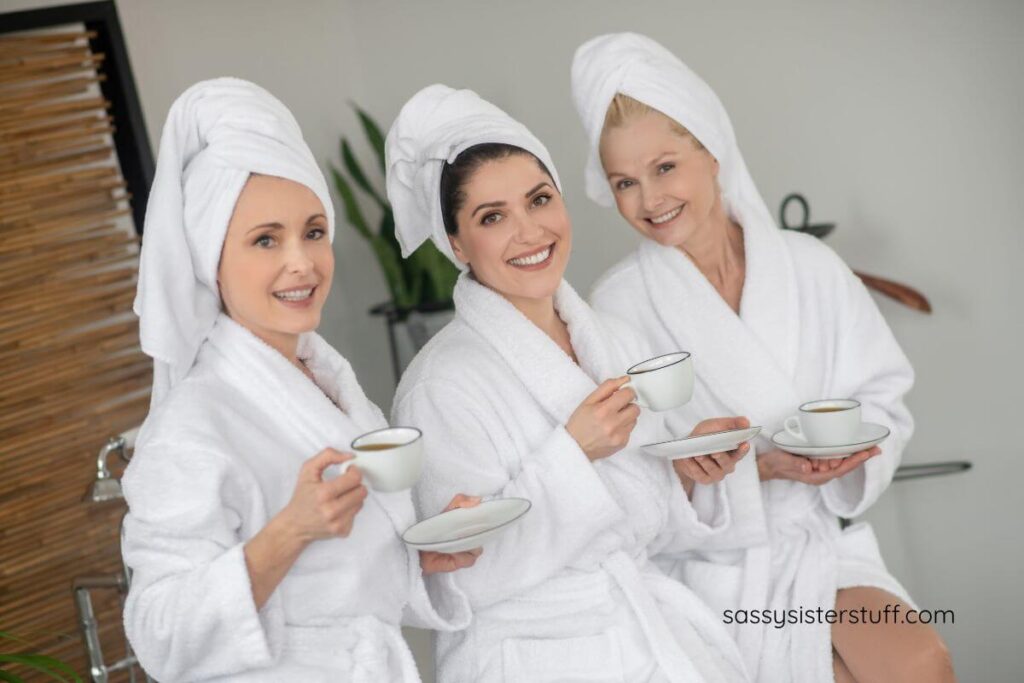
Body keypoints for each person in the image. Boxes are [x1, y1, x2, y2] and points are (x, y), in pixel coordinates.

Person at [571, 32, 955, 682]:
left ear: (711, 151)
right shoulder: (614, 307)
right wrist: (755, 470)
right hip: (705, 570)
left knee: (919, 661)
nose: (649, 199)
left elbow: (883, 393)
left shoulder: (810, 267)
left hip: (819, 542)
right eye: (624, 182)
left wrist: (846, 452)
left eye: (665, 167)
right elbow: (625, 485)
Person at [386, 83, 752, 682]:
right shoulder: (440, 384)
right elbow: (463, 575)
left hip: (647, 631)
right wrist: (573, 452)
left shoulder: (613, 341)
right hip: (534, 656)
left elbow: (646, 526)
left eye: (539, 199)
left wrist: (687, 476)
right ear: (456, 243)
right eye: (492, 217)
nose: (530, 232)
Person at [121, 78, 477, 682]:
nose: (301, 262)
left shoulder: (329, 382)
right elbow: (160, 633)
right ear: (211, 263)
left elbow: (342, 576)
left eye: (313, 231)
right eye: (266, 240)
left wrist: (421, 556)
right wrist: (291, 530)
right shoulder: (189, 426)